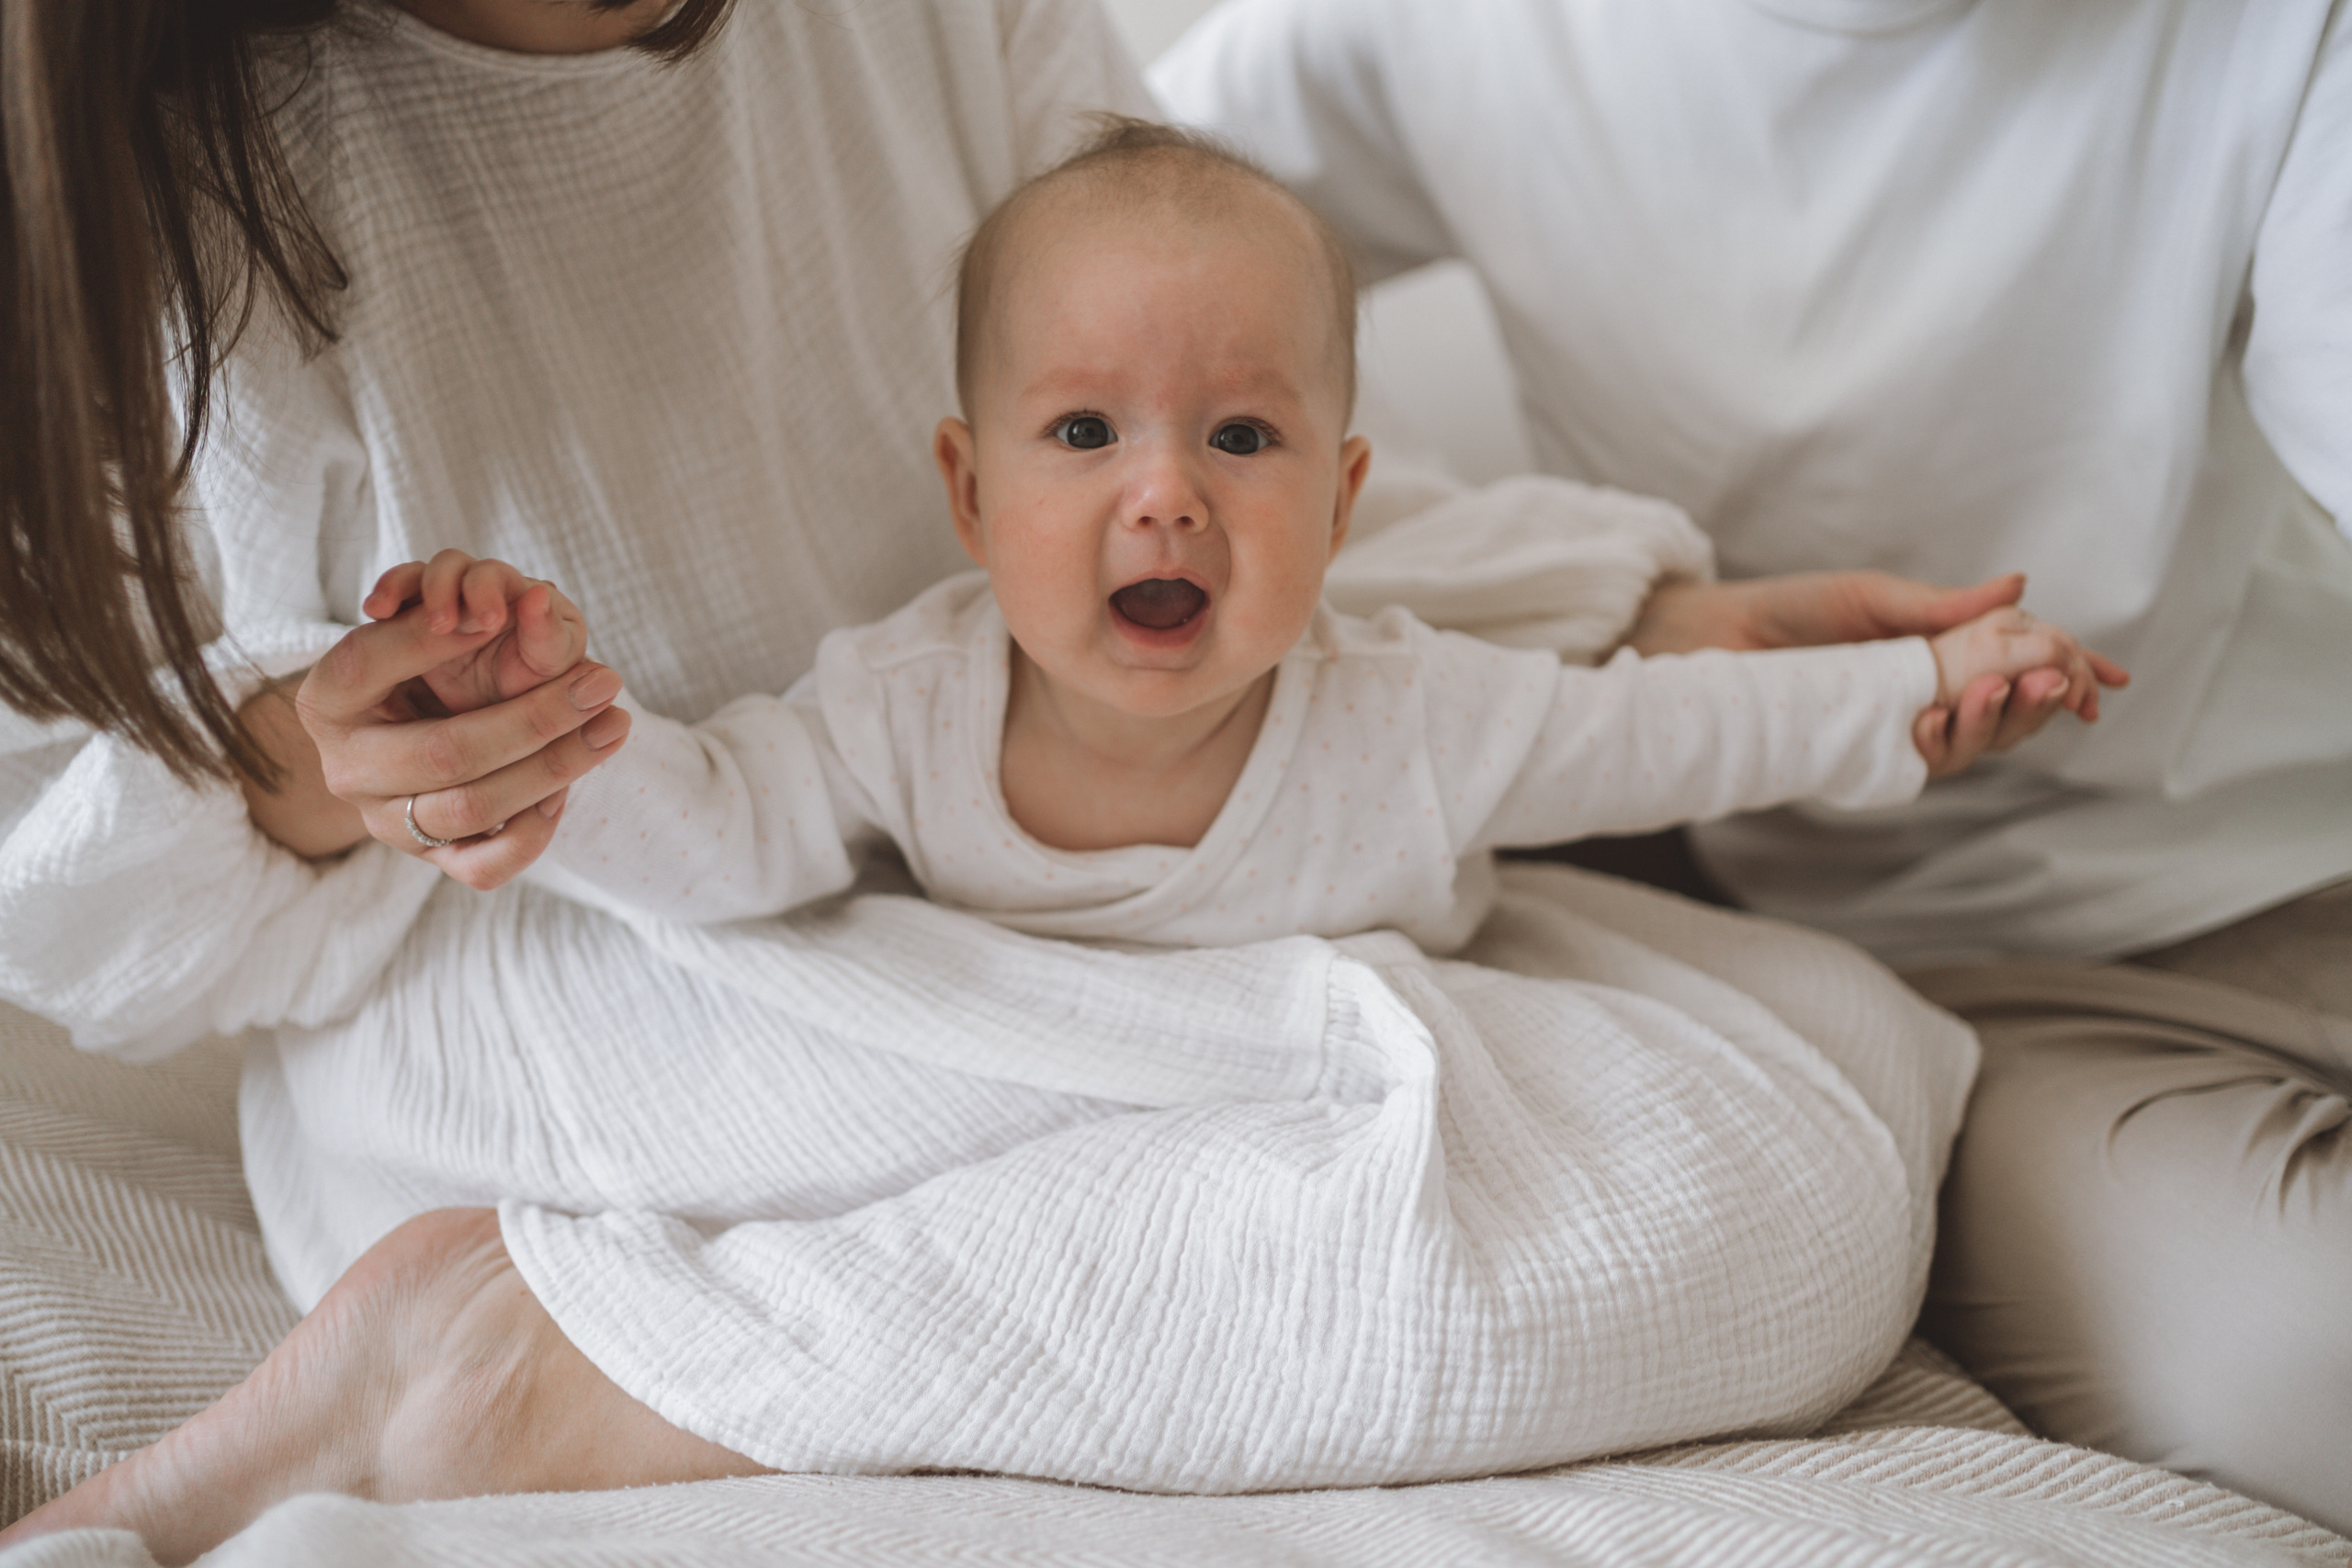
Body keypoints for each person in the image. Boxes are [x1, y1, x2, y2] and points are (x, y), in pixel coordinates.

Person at [0, 0, 2099, 1558]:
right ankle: (481, 1348)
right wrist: (330, 763)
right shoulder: (118, 180)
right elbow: (77, 905)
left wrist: (1648, 617)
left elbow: (1192, 421)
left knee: (1802, 1149)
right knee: (1522, 1159)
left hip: (1045, 957)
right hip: (596, 1000)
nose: (1146, 494)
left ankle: (575, 1348)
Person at [1151, 0, 2352, 1531]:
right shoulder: (1425, 32)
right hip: (1983, 966)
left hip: (2318, 825)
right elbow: (1086, 305)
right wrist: (1608, 603)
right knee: (2301, 1364)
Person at [381, 123, 2120, 955]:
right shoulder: (904, 703)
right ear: (970, 495)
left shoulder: (1419, 719)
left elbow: (1672, 729)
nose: (1167, 495)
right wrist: (537, 749)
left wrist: (1914, 693)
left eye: (1240, 436)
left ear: (1342, 503)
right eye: (1082, 434)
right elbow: (730, 831)